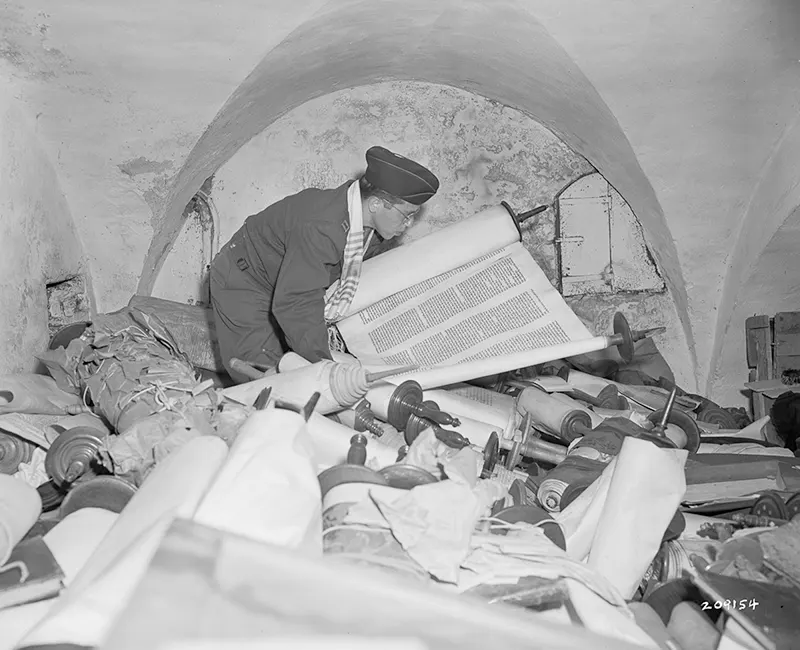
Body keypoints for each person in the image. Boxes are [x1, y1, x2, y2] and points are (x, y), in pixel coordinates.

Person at [209, 146, 440, 384]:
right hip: (245, 282)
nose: (408, 224)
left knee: (294, 369)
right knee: (265, 379)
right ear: (376, 204)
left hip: (283, 283)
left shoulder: (370, 228)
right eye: (406, 214)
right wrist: (323, 365)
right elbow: (296, 301)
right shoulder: (321, 226)